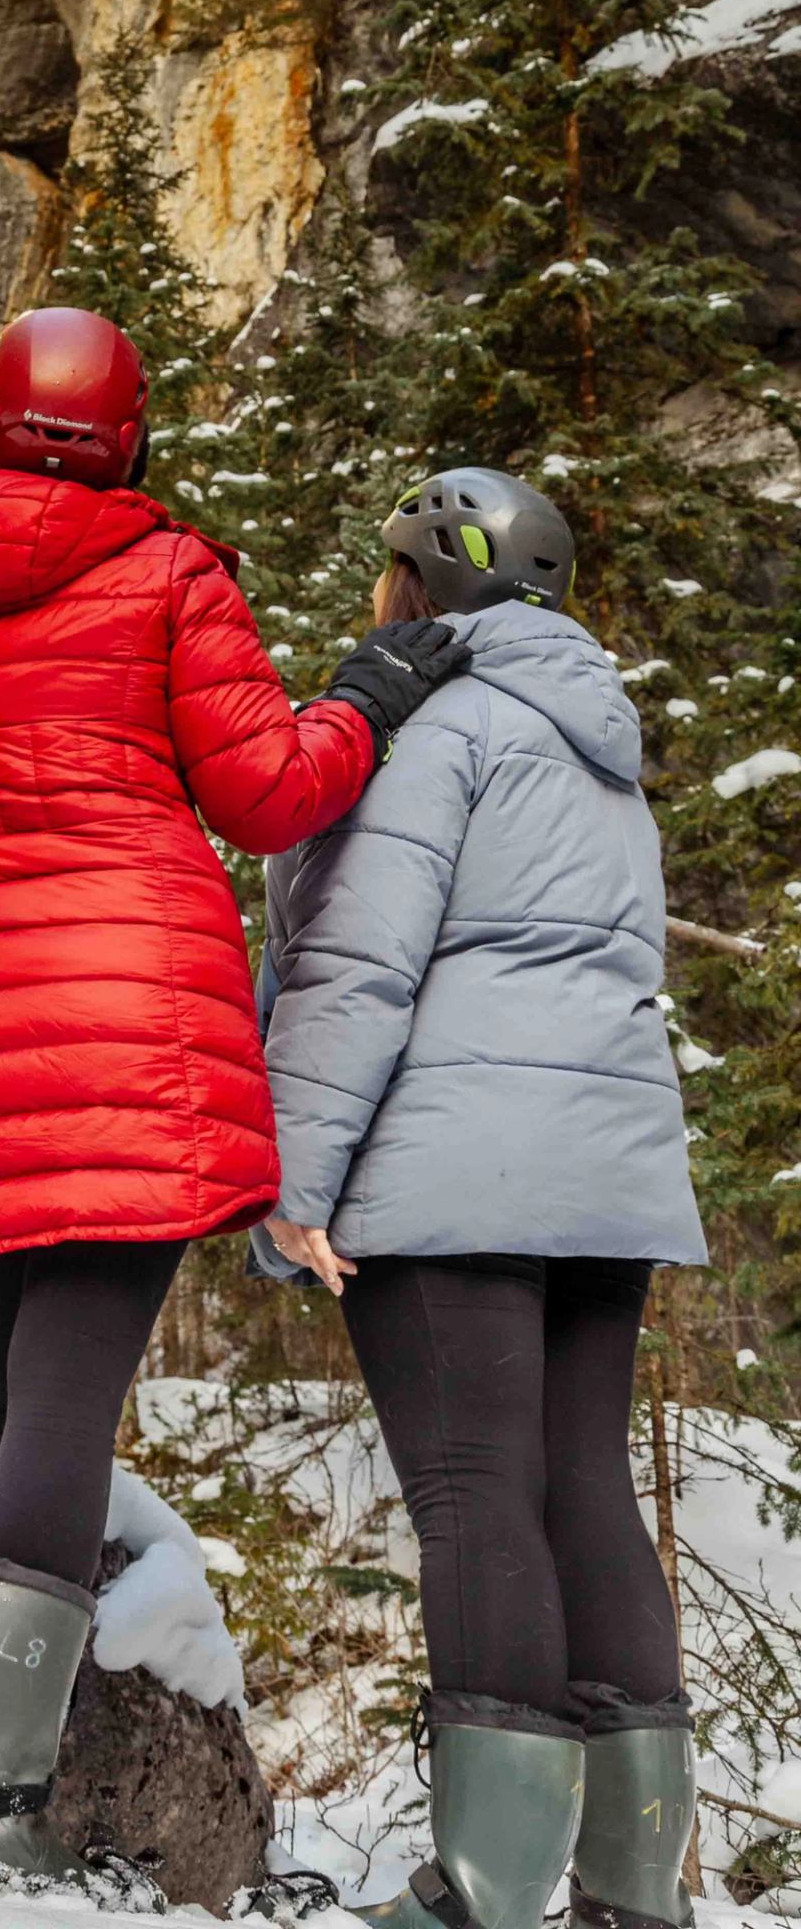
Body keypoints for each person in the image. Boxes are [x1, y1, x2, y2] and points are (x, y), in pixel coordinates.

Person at [0, 306, 471, 1903]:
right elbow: (270, 788)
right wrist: (367, 698)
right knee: (64, 1413)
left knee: (4, 1411)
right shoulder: (165, 568)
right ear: (124, 437)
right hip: (130, 1033)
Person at [256, 467, 708, 1929]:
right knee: (584, 1487)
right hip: (607, 1175)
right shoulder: (602, 742)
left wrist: (295, 1180)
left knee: (473, 1495)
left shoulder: (431, 727)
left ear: (424, 590)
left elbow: (356, 967)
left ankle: (490, 1891)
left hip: (456, 1170)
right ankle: (638, 1894)